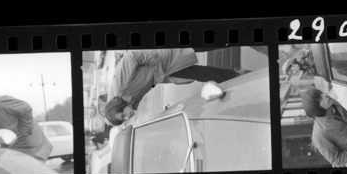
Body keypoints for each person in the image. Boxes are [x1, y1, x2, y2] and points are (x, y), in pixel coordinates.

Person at [100, 49, 243, 126]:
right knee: (202, 73)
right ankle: (240, 76)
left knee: (200, 47)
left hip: (164, 58)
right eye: (124, 119)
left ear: (119, 105)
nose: (128, 117)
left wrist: (155, 60)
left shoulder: (121, 85)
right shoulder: (130, 102)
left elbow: (131, 56)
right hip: (167, 71)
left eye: (123, 115)